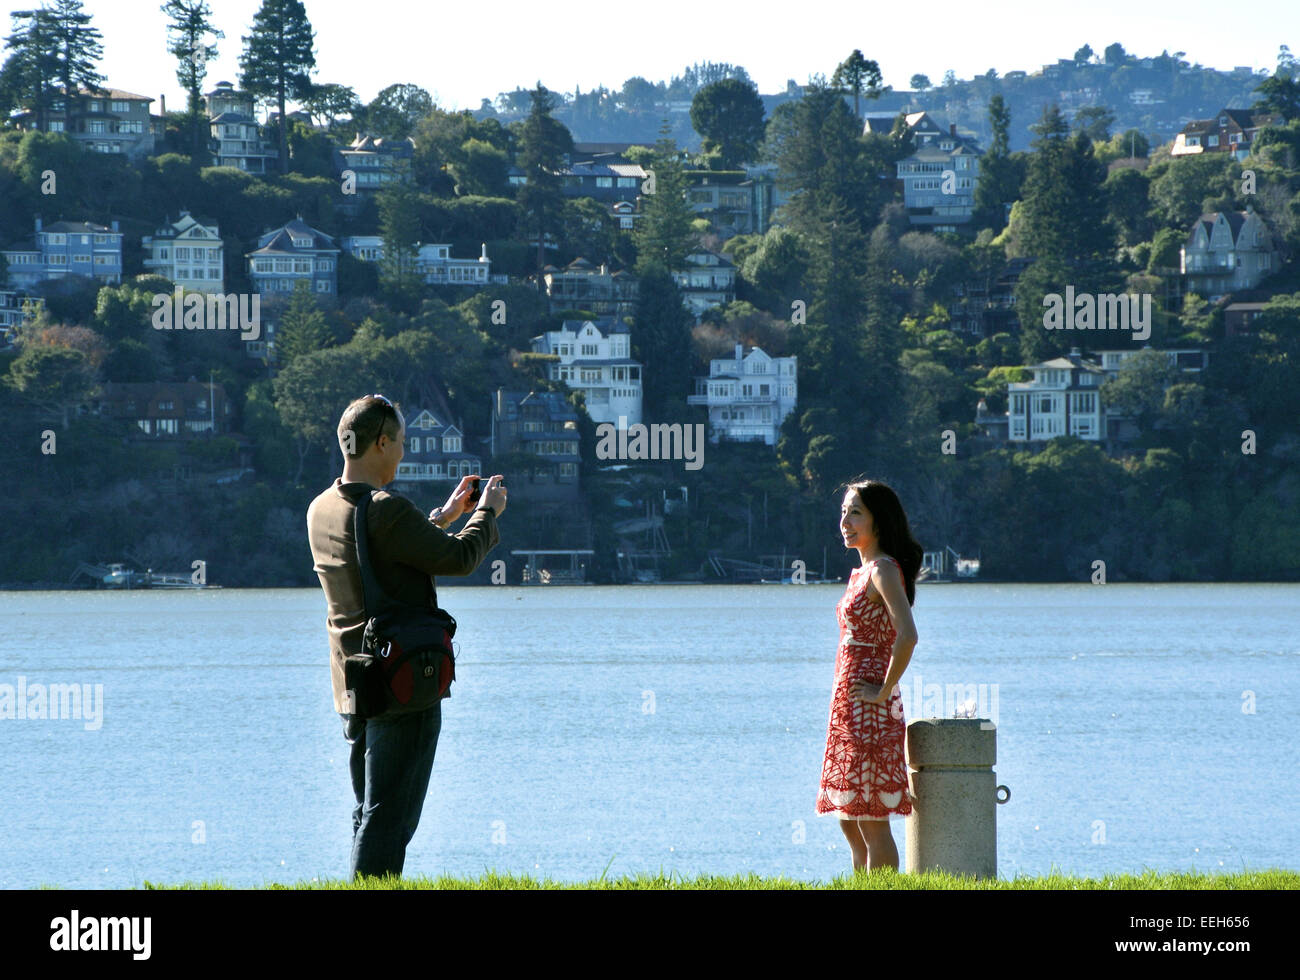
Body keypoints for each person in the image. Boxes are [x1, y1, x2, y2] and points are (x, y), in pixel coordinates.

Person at [306, 394, 506, 880]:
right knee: (390, 817)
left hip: (353, 683)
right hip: (400, 682)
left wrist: (443, 517)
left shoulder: (322, 508)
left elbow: (374, 554)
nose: (401, 454)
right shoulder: (387, 509)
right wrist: (487, 513)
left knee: (369, 810)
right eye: (400, 443)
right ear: (380, 442)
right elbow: (457, 560)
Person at [815, 478, 922, 872]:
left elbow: (908, 635)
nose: (845, 520)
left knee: (872, 820)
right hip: (847, 706)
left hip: (871, 708)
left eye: (855, 512)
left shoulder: (883, 570)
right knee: (849, 816)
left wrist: (884, 690)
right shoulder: (858, 573)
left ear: (879, 520)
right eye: (843, 511)